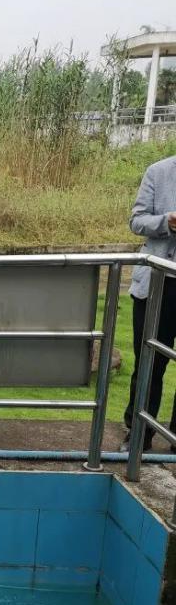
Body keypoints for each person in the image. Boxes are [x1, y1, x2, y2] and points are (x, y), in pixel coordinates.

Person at [121, 154, 176, 453]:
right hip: (157, 283)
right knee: (149, 362)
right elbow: (136, 221)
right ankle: (139, 434)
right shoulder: (158, 171)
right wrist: (166, 221)